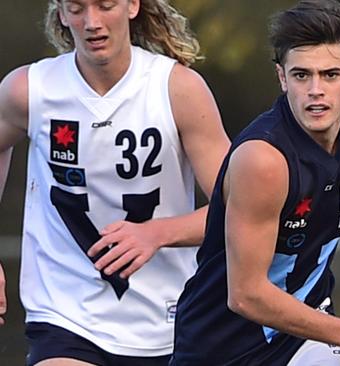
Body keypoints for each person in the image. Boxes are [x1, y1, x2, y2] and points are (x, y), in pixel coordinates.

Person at [171, 1, 340, 365]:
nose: (315, 89)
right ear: (282, 78)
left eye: (330, 74)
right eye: (301, 75)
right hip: (222, 346)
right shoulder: (264, 159)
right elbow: (246, 294)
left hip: (307, 332)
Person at [0, 0, 230, 365]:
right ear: (60, 13)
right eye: (76, 8)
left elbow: (241, 210)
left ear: (132, 6)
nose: (92, 22)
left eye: (106, 5)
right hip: (64, 317)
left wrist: (158, 232)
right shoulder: (28, 90)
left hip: (168, 322)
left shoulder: (177, 90)